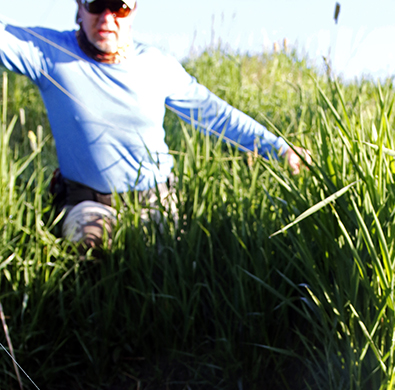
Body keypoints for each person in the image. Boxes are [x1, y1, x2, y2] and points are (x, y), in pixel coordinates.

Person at [0, 1, 309, 245]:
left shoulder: (156, 66)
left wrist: (279, 148)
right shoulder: (47, 53)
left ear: (133, 10)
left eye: (119, 6)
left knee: (166, 266)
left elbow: (214, 113)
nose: (107, 18)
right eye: (95, 5)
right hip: (88, 204)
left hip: (155, 202)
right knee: (91, 247)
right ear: (78, 8)